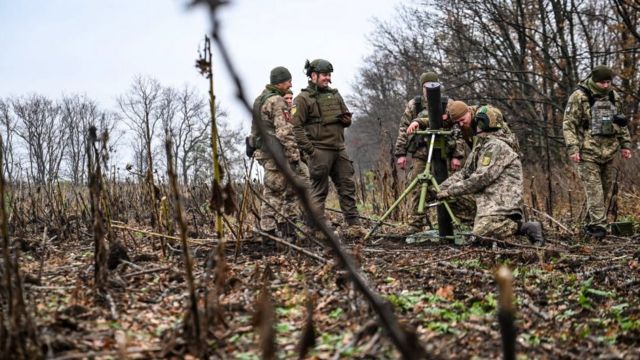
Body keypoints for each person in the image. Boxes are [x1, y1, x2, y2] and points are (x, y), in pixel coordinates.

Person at [436, 105, 544, 245]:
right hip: (487, 197)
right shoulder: (482, 144)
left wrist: (450, 191)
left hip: (501, 202)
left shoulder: (495, 146)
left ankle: (524, 228)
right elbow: (465, 173)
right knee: (452, 201)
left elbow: (480, 179)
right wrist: (440, 189)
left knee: (482, 234)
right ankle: (482, 227)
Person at [563, 65, 633, 238]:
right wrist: (573, 148)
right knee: (595, 191)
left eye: (608, 82)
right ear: (594, 81)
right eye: (602, 82)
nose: (605, 85)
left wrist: (625, 145)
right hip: (587, 152)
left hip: (609, 152)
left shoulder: (613, 97)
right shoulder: (579, 97)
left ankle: (588, 225)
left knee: (604, 190)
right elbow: (569, 124)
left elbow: (621, 123)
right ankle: (599, 228)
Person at [292, 59, 362, 230]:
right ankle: (315, 229)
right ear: (313, 75)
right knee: (319, 191)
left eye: (329, 75)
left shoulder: (335, 95)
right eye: (324, 75)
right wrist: (310, 150)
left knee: (347, 187)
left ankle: (354, 226)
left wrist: (347, 121)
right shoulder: (302, 99)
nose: (328, 78)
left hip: (339, 149)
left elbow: (346, 117)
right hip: (319, 150)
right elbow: (296, 127)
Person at [251, 66, 308, 242]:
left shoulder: (260, 99)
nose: (291, 84)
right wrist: (294, 156)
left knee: (290, 188)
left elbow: (255, 129)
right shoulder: (277, 101)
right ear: (281, 82)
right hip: (277, 153)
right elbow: (285, 132)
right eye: (289, 81)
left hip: (264, 152)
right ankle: (268, 231)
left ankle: (288, 228)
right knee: (275, 191)